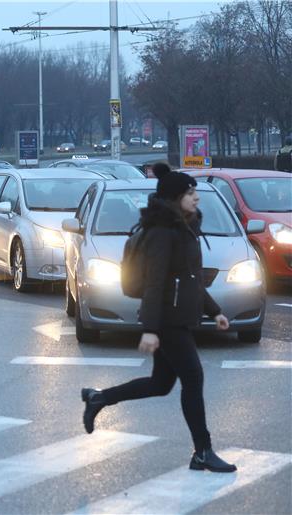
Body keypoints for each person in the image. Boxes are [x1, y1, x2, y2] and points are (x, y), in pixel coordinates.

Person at [81, 162, 237, 473]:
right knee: (193, 378)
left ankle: (99, 398)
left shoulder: (183, 228)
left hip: (177, 316)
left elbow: (189, 279)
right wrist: (150, 329)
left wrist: (215, 310)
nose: (197, 198)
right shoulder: (163, 233)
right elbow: (155, 282)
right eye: (191, 193)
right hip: (167, 320)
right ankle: (203, 451)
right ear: (175, 198)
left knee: (161, 383)